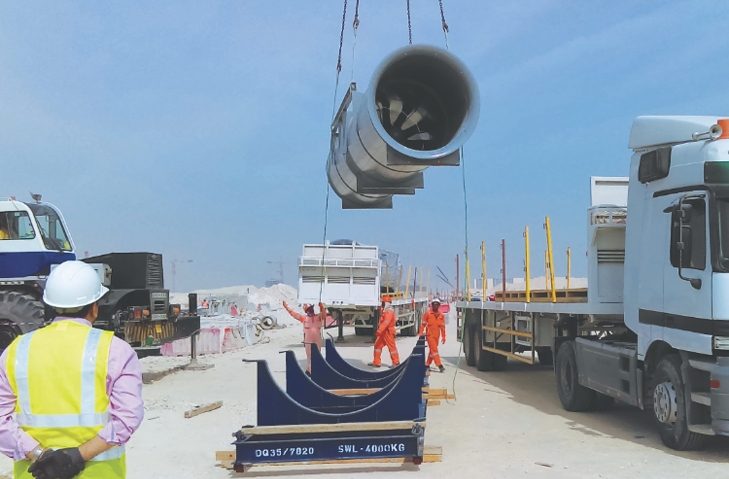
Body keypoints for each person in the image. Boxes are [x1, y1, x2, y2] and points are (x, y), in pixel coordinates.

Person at [0, 260, 144, 479]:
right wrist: (77, 456)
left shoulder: (16, 350)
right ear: (94, 307)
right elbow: (127, 418)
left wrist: (41, 454)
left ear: (49, 304)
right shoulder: (115, 350)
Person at [282, 301, 325, 373]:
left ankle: (316, 368)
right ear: (306, 311)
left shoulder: (318, 317)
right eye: (309, 309)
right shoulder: (304, 318)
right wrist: (287, 308)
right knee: (309, 355)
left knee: (318, 354)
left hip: (317, 338)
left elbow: (324, 315)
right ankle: (310, 370)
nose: (311, 311)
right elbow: (294, 315)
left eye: (311, 309)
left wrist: (322, 307)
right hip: (308, 339)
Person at [368, 295, 400, 368]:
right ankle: (376, 362)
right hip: (384, 333)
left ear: (386, 304)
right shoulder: (386, 312)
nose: (381, 305)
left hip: (388, 333)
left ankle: (396, 362)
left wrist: (379, 331)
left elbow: (386, 323)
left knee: (392, 348)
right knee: (377, 346)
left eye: (383, 303)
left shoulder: (389, 312)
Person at [419, 298, 446, 372]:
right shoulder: (427, 314)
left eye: (437, 305)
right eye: (434, 304)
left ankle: (427, 365)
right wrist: (421, 332)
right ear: (432, 305)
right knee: (434, 350)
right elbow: (423, 324)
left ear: (439, 305)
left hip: (437, 335)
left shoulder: (441, 315)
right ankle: (439, 365)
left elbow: (443, 327)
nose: (435, 306)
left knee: (432, 351)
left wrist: (444, 336)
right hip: (430, 335)